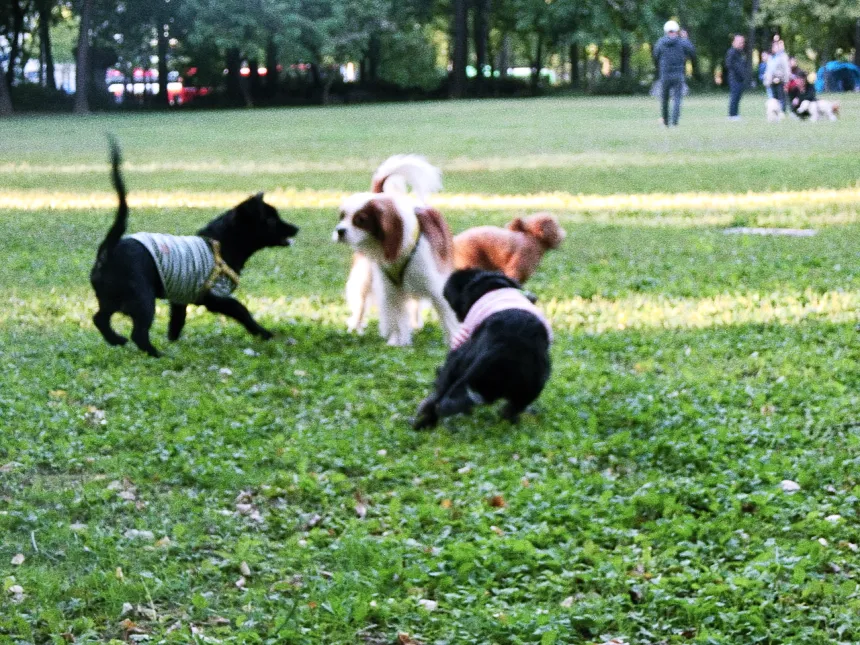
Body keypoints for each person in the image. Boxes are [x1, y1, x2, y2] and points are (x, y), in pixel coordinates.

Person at [653, 20, 696, 127]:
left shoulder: (660, 42)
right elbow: (692, 52)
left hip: (665, 74)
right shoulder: (682, 42)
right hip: (678, 74)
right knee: (677, 98)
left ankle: (666, 121)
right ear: (677, 31)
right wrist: (686, 39)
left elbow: (655, 56)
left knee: (664, 99)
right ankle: (675, 122)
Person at [763, 38, 791, 112]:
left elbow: (786, 69)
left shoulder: (783, 56)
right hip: (771, 81)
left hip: (780, 80)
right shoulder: (771, 57)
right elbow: (768, 69)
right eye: (773, 46)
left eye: (776, 46)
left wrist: (785, 80)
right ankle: (774, 111)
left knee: (781, 97)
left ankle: (782, 111)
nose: (774, 48)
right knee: (773, 97)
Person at [725, 34, 748, 120]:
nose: (742, 44)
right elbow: (729, 64)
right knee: (734, 96)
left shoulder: (740, 52)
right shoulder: (731, 52)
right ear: (734, 42)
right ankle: (732, 114)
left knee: (738, 96)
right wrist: (737, 71)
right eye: (740, 42)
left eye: (742, 42)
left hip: (740, 78)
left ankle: (736, 113)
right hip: (734, 78)